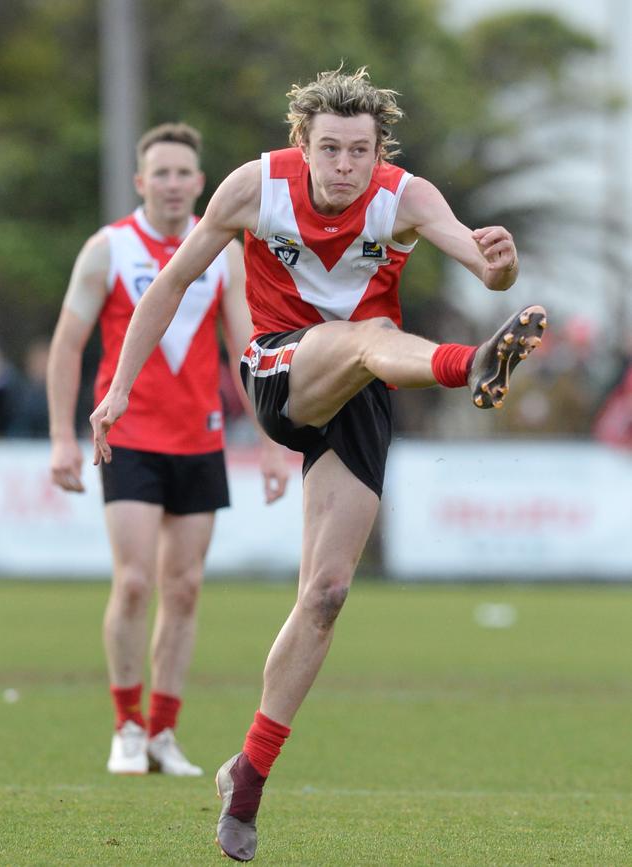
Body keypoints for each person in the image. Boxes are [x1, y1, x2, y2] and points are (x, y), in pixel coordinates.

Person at [89, 70, 547, 859]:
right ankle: (470, 364)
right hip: (279, 368)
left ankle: (249, 776)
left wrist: (501, 265)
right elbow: (169, 285)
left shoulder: (404, 196)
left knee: (328, 593)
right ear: (303, 145)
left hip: (366, 387)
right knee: (365, 336)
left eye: (359, 152)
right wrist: (119, 387)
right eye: (330, 149)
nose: (344, 166)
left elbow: (484, 266)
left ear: (379, 154)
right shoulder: (254, 186)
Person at [47, 122, 288, 779]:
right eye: (163, 173)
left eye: (185, 172)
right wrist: (63, 436)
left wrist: (271, 444)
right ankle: (126, 723)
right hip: (126, 435)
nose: (175, 184)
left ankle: (162, 732)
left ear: (201, 182)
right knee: (133, 581)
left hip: (200, 437)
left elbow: (250, 351)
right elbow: (68, 344)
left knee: (184, 589)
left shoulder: (225, 252)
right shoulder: (108, 250)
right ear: (140, 181)